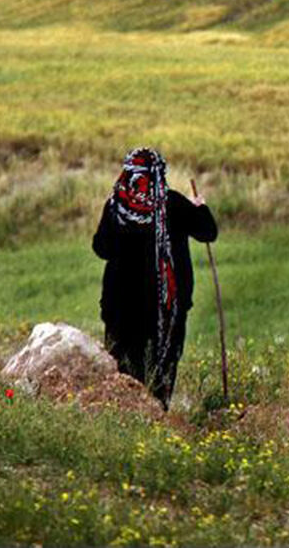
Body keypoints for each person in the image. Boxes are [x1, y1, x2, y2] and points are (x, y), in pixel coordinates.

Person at [92, 147, 217, 410]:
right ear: (159, 173)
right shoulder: (172, 204)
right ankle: (157, 414)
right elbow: (208, 232)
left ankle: (125, 417)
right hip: (165, 309)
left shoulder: (117, 207)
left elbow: (101, 248)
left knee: (123, 365)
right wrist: (201, 208)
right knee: (162, 364)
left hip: (120, 307)